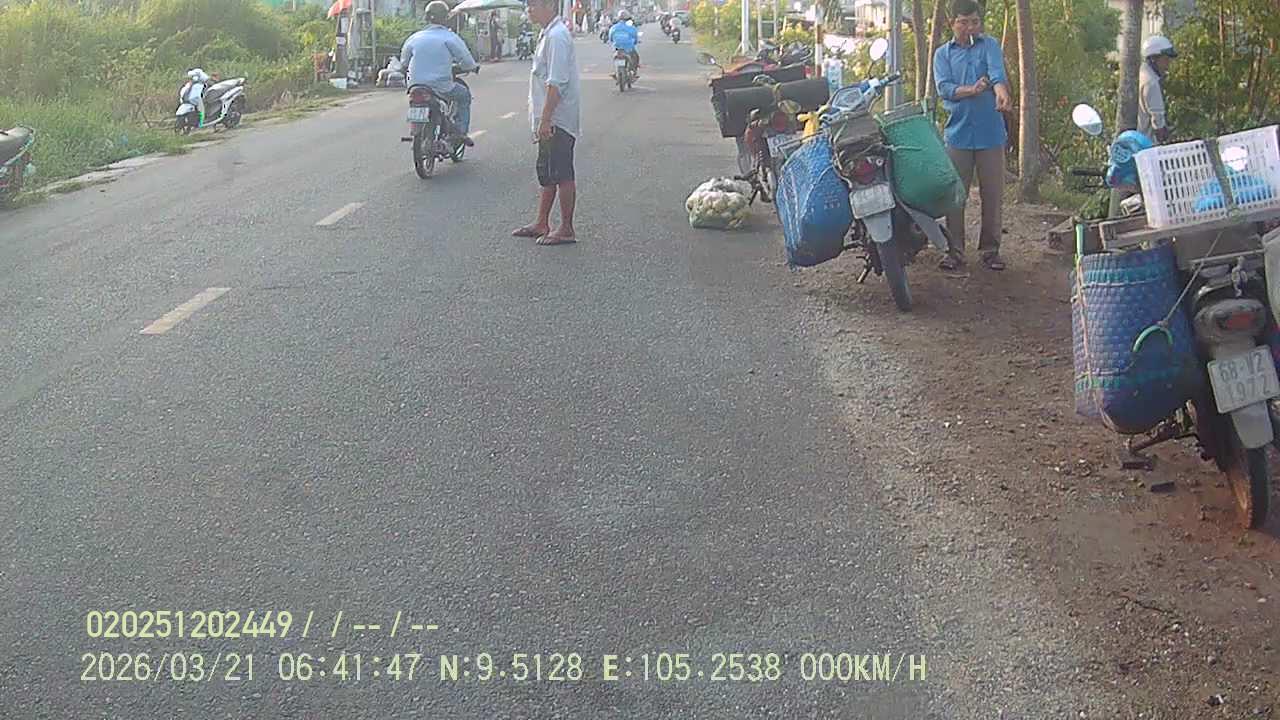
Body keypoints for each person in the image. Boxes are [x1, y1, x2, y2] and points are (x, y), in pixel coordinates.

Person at [933, 0, 1012, 272]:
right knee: (956, 196)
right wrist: (972, 90)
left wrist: (1001, 92)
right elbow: (944, 88)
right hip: (958, 134)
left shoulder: (989, 45)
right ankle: (954, 251)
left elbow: (997, 74)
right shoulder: (942, 55)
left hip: (991, 133)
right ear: (952, 23)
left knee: (993, 195)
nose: (970, 28)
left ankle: (991, 251)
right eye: (964, 22)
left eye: (975, 22)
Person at [511, 0, 581, 245]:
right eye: (528, 5)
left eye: (534, 4)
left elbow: (556, 82)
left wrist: (547, 118)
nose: (529, 9)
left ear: (550, 5)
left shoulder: (557, 37)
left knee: (562, 172)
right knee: (548, 171)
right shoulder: (547, 34)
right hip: (550, 117)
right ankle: (542, 222)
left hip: (557, 119)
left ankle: (566, 228)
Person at [401, 1, 479, 147]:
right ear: (446, 18)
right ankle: (460, 133)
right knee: (464, 96)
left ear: (426, 18)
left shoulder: (415, 37)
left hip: (414, 85)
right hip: (440, 85)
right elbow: (466, 61)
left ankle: (416, 130)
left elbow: (404, 61)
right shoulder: (450, 37)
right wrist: (473, 67)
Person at [1138, 35, 1176, 143]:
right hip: (1146, 144)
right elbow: (1158, 125)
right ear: (1153, 59)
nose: (1168, 65)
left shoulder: (1140, 74)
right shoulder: (1151, 83)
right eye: (1165, 59)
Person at [609, 10, 640, 76]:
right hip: (628, 49)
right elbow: (635, 38)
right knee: (636, 57)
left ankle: (616, 72)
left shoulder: (613, 27)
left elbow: (610, 38)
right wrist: (635, 42)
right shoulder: (631, 27)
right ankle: (634, 71)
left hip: (617, 48)